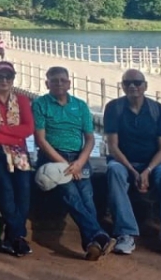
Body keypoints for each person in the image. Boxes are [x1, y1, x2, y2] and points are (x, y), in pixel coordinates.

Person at [102, 69, 161, 263]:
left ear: (145, 86)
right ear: (122, 86)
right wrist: (134, 171)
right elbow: (113, 146)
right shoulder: (114, 108)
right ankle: (126, 233)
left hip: (153, 163)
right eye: (127, 83)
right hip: (123, 162)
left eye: (137, 82)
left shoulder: (157, 110)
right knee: (114, 171)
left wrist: (147, 170)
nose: (133, 86)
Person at [33, 66, 112, 260]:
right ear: (47, 84)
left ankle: (92, 242)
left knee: (86, 194)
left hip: (78, 156)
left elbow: (90, 139)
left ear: (69, 83)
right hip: (53, 157)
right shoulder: (40, 104)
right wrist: (66, 165)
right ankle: (98, 235)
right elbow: (41, 141)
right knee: (69, 193)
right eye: (54, 80)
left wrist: (80, 162)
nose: (59, 84)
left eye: (62, 80)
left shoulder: (80, 105)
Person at [0, 61, 35, 257]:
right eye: (0, 77)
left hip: (19, 152)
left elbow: (28, 129)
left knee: (24, 190)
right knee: (5, 188)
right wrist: (13, 135)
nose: (4, 80)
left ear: (13, 79)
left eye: (8, 77)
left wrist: (2, 129)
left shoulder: (22, 100)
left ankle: (12, 236)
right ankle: (18, 235)